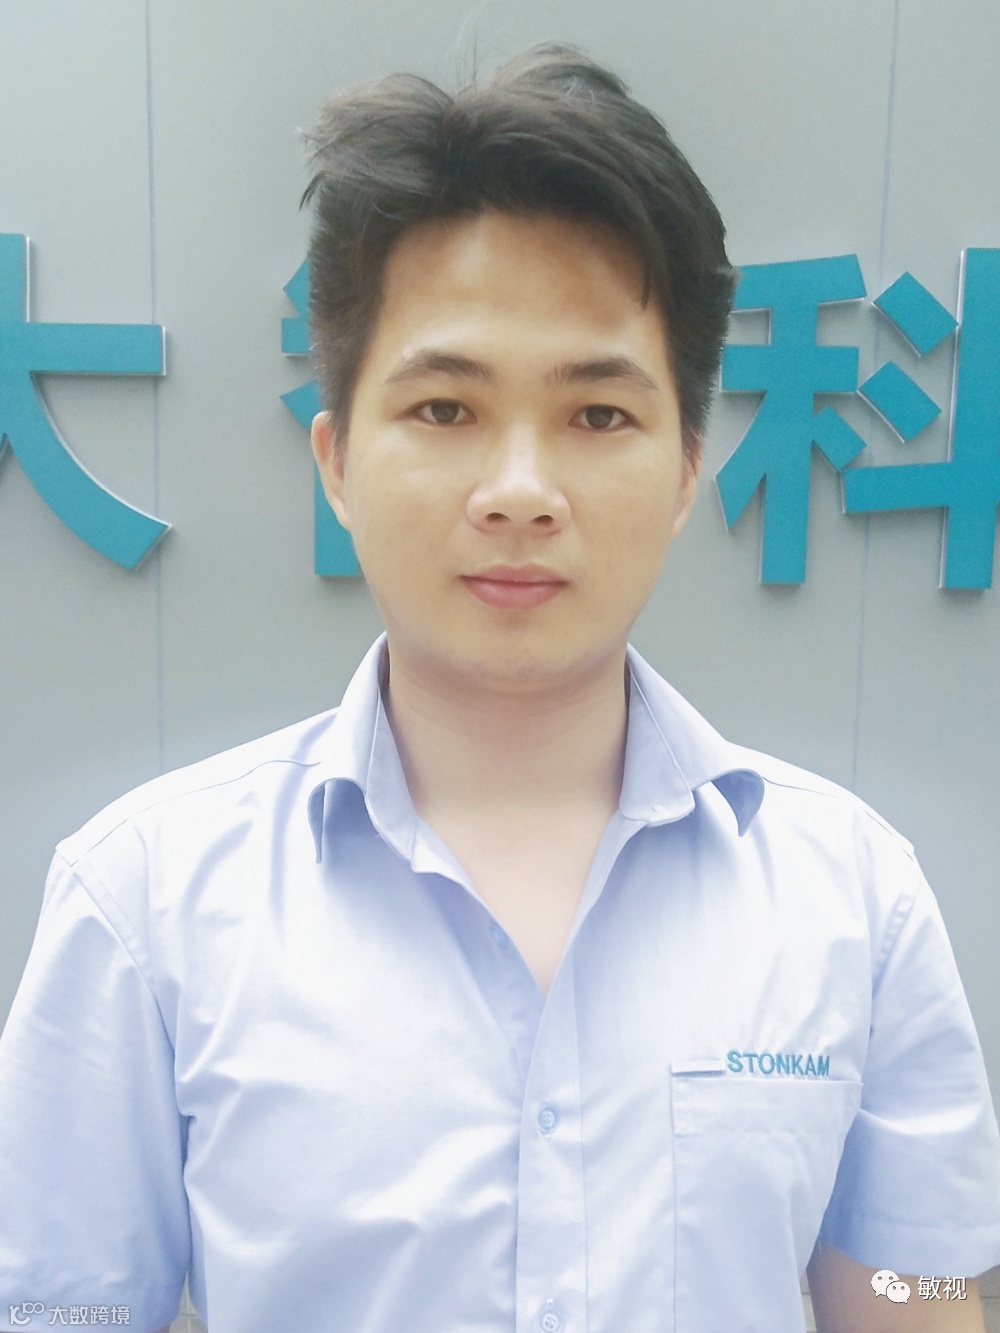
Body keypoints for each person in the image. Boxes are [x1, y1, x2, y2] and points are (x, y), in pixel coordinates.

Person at [1, 45, 999, 1333]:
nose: (520, 491)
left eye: (598, 417)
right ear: (336, 461)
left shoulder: (853, 898)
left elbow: (915, 1294)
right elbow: (64, 1309)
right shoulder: (146, 901)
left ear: (686, 472)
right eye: (443, 409)